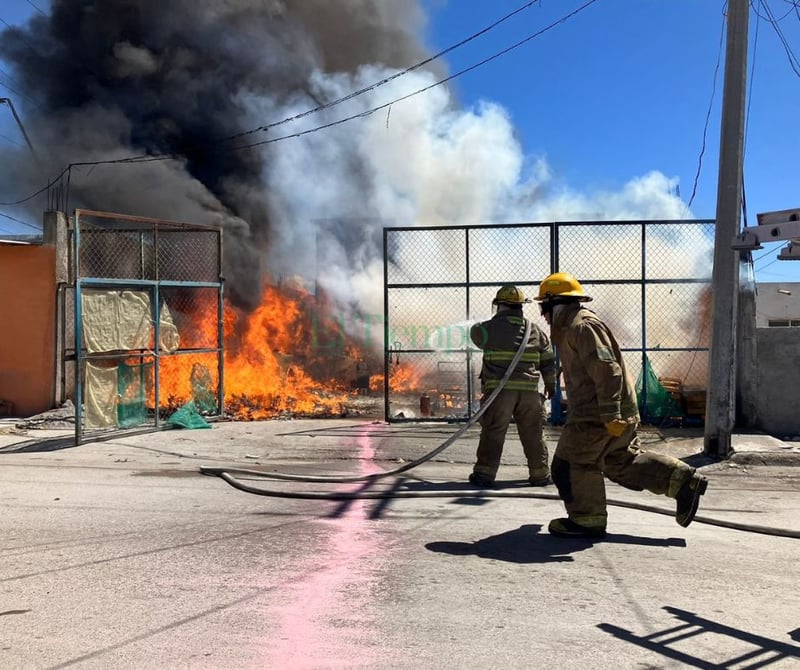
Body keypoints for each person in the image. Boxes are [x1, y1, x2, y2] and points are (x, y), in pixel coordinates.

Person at [534, 271, 708, 538]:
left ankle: (586, 519)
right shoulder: (573, 327)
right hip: (608, 410)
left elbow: (608, 370)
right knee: (620, 463)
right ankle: (682, 481)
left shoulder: (582, 326)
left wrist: (610, 413)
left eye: (543, 307)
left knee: (569, 464)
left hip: (597, 414)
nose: (543, 315)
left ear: (554, 303)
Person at [468, 284, 557, 488]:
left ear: (499, 305)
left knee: (493, 431)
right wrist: (551, 385)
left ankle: (484, 475)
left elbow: (475, 336)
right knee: (534, 434)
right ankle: (540, 474)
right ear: (521, 307)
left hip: (500, 394)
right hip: (530, 394)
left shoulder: (487, 329)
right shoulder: (536, 330)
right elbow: (548, 360)